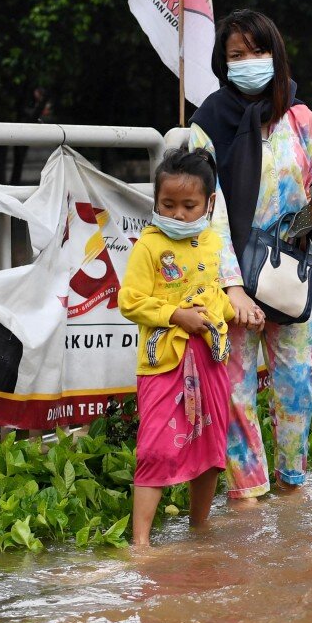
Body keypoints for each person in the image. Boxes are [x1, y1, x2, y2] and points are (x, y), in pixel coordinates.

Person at [189, 9, 312, 503]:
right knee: (235, 392)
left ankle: (292, 486)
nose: (250, 62)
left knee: (297, 384)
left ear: (276, 53)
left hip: (289, 273)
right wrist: (233, 286)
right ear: (223, 64)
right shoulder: (207, 124)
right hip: (232, 279)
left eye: (259, 51)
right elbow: (210, 212)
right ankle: (247, 496)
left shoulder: (301, 118)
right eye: (237, 54)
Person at [120, 149, 236, 547]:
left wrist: (232, 311)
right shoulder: (148, 247)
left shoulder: (213, 242)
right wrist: (175, 315)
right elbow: (130, 300)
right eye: (168, 205)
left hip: (210, 359)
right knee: (156, 448)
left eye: (189, 205)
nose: (179, 214)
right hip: (164, 363)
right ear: (155, 201)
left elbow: (215, 293)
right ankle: (141, 543)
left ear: (209, 203)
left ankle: (199, 530)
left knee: (211, 447)